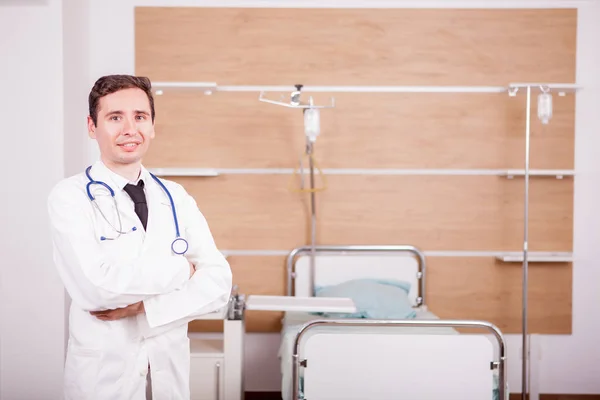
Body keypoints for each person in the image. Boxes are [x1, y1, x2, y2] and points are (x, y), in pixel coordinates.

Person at [47, 74, 233, 400]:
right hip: (104, 376)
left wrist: (143, 308)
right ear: (92, 126)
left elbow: (218, 284)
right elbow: (96, 289)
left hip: (167, 371)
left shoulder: (176, 197)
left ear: (152, 126)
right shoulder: (70, 196)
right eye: (115, 117)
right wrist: (182, 272)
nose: (129, 129)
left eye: (140, 117)